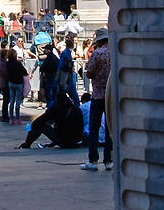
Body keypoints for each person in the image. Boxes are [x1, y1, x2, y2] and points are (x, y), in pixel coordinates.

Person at [20, 88, 86, 149]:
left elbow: (38, 122)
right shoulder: (76, 109)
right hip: (77, 142)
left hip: (65, 142)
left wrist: (32, 129)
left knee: (40, 125)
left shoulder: (55, 109)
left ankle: (27, 144)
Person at [84, 29, 111, 168]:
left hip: (98, 94)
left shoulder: (97, 53)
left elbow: (89, 73)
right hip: (111, 94)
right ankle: (108, 160)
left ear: (99, 41)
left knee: (93, 127)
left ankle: (93, 160)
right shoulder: (115, 52)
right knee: (109, 128)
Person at [0, 41, 29, 123]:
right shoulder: (18, 63)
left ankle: (11, 118)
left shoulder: (8, 63)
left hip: (10, 83)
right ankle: (17, 118)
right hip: (18, 83)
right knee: (18, 101)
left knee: (11, 101)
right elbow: (25, 72)